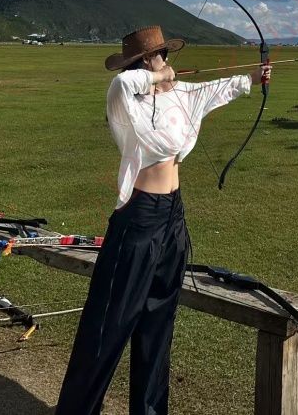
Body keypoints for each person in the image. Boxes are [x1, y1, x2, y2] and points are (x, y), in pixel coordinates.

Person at [55, 25, 270, 415]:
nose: (165, 62)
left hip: (173, 217)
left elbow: (217, 89)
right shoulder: (125, 100)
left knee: (158, 326)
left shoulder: (181, 95)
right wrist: (157, 77)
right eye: (155, 58)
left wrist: (254, 77)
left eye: (164, 55)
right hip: (137, 220)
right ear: (141, 65)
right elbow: (123, 83)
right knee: (108, 326)